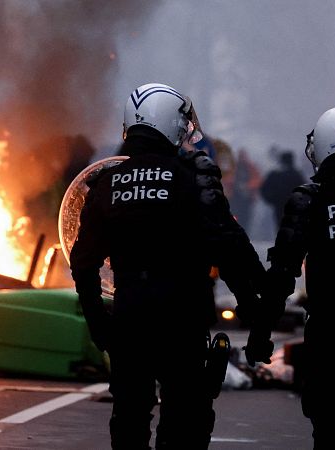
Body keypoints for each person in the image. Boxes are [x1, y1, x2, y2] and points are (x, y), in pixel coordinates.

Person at [69, 82, 266, 449]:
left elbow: (82, 264)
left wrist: (100, 326)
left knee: (129, 420)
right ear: (171, 123)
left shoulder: (106, 183)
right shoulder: (193, 175)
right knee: (185, 422)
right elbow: (230, 249)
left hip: (129, 319)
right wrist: (257, 314)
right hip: (182, 318)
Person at [246, 106, 335, 449]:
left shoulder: (308, 201)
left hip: (329, 337)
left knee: (329, 433)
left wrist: (261, 333)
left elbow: (281, 275)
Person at [260, 149, 306, 226]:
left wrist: (271, 199)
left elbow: (264, 189)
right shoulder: (296, 174)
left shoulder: (275, 174)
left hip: (280, 204)